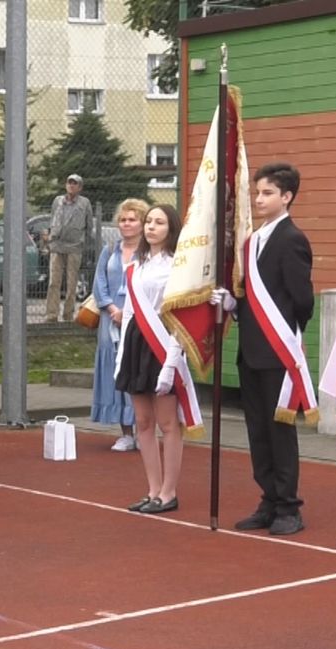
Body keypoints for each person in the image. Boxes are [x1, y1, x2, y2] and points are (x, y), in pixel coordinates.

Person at [233, 163, 315, 537]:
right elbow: (251, 294)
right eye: (257, 192)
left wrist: (290, 334)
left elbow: (302, 299)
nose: (259, 199)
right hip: (250, 350)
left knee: (279, 430)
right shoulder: (252, 241)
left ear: (286, 196)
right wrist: (232, 304)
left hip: (278, 350)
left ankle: (288, 506)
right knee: (258, 430)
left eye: (267, 193)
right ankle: (268, 499)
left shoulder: (292, 238)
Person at [114, 204, 187, 514]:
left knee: (168, 422)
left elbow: (181, 317)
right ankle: (153, 489)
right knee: (143, 421)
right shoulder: (136, 265)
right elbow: (130, 312)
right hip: (136, 342)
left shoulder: (178, 266)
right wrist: (121, 357)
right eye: (149, 222)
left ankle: (169, 492)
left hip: (163, 342)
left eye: (159, 222)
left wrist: (172, 362)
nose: (151, 227)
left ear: (171, 228)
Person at [90, 198, 147, 451]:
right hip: (110, 320)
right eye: (123, 219)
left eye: (132, 219)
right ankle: (125, 433)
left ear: (142, 223)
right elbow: (99, 282)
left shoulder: (148, 252)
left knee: (137, 370)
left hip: (138, 318)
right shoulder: (110, 249)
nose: (126, 224)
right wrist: (112, 308)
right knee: (115, 371)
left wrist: (129, 311)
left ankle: (143, 430)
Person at [42, 173, 93, 323]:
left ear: (80, 187)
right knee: (54, 282)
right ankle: (51, 314)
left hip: (75, 247)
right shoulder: (58, 201)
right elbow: (53, 219)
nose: (71, 185)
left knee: (72, 283)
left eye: (74, 183)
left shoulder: (85, 203)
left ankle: (68, 315)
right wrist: (50, 238)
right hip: (57, 245)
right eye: (69, 183)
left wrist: (83, 242)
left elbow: (89, 225)